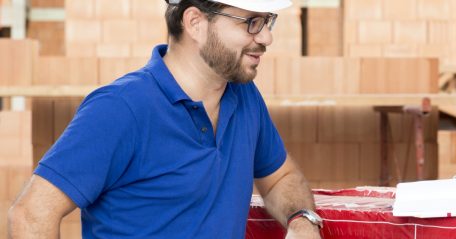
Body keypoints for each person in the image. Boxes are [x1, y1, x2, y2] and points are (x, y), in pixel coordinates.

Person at [8, 0, 322, 238]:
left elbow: (280, 178)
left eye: (269, 22)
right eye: (252, 22)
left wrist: (303, 219)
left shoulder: (244, 96)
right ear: (195, 22)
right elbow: (30, 214)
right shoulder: (121, 109)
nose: (266, 37)